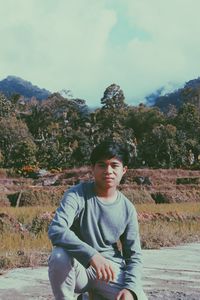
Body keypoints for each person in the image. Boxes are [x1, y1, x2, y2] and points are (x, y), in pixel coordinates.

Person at [48, 140, 148, 300]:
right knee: (59, 255)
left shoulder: (127, 208)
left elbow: (134, 255)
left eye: (114, 165)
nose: (108, 171)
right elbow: (56, 229)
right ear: (93, 168)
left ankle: (89, 297)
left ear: (124, 170)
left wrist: (131, 288)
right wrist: (92, 256)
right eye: (102, 165)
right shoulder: (76, 195)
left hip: (109, 270)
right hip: (79, 266)